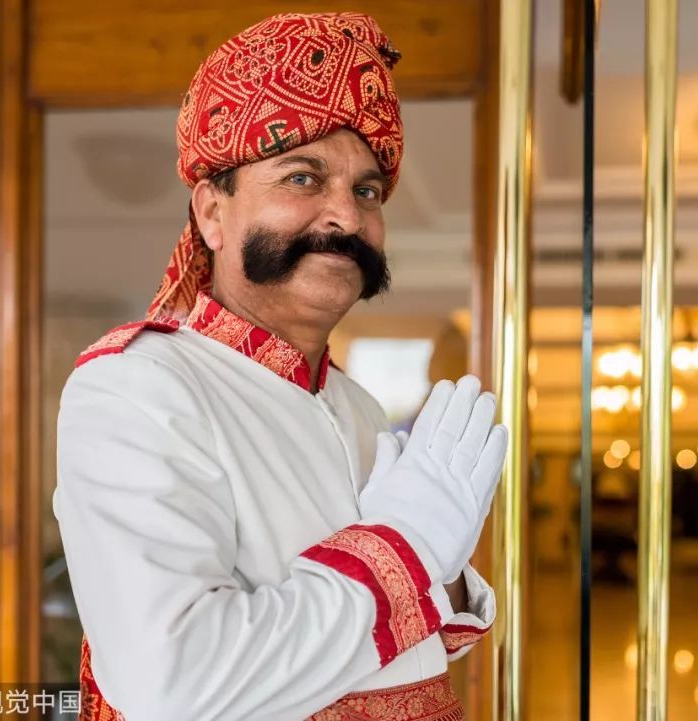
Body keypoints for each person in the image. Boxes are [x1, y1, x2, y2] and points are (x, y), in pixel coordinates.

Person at [53, 12, 507, 721]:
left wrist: (438, 567)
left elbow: (401, 651)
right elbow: (177, 682)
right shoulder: (137, 385)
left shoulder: (355, 405)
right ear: (212, 212)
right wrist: (411, 548)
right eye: (303, 177)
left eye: (367, 192)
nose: (347, 218)